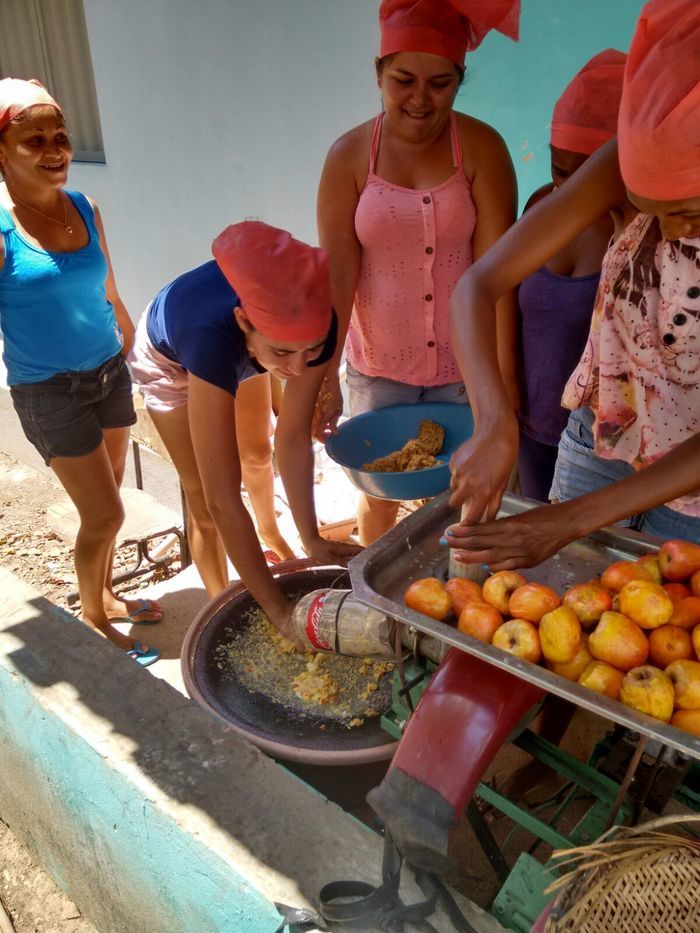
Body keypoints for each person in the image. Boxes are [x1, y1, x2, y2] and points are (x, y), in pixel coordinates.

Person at [445, 0, 700, 569]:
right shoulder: (619, 166)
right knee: (560, 610)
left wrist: (569, 520)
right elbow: (478, 285)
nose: (663, 230)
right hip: (601, 436)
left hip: (690, 492)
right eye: (641, 207)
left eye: (686, 213)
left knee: (665, 638)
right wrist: (493, 420)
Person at [316, 0, 520, 545]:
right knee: (376, 492)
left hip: (465, 370)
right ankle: (376, 597)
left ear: (460, 81)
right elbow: (338, 279)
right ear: (378, 72)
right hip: (378, 368)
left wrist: (502, 391)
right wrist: (324, 378)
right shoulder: (349, 156)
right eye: (403, 79)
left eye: (441, 83)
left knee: (464, 500)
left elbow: (499, 277)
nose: (420, 100)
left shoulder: (482, 150)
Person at [129, 221, 360, 642]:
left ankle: (273, 537)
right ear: (243, 322)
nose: (297, 369)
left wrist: (312, 536)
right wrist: (279, 612)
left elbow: (292, 440)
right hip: (168, 363)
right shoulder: (213, 341)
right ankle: (222, 608)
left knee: (258, 454)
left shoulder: (308, 332)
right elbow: (222, 499)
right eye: (285, 354)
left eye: (311, 352)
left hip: (249, 346)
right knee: (204, 495)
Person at [0, 78, 163, 665]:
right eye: (33, 139)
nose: (54, 149)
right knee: (105, 513)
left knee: (110, 498)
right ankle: (93, 617)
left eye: (61, 136)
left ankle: (108, 595)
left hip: (107, 373)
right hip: (50, 392)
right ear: (1, 152)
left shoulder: (86, 207)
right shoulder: (1, 228)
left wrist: (127, 335)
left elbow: (106, 286)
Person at [517, 50, 627, 502]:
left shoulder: (639, 239)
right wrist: (500, 414)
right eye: (560, 171)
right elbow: (488, 293)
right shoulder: (541, 207)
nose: (571, 194)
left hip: (598, 447)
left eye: (588, 176)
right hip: (529, 426)